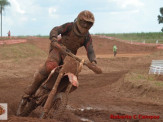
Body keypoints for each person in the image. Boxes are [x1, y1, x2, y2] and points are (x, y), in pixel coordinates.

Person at [23, 10, 97, 99]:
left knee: (73, 78)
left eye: (88, 23)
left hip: (70, 56)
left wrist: (93, 62)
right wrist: (54, 39)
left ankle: (56, 95)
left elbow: (90, 49)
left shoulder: (87, 37)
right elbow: (56, 29)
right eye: (83, 22)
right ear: (78, 20)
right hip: (58, 49)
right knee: (50, 66)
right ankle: (32, 88)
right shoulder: (70, 26)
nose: (85, 25)